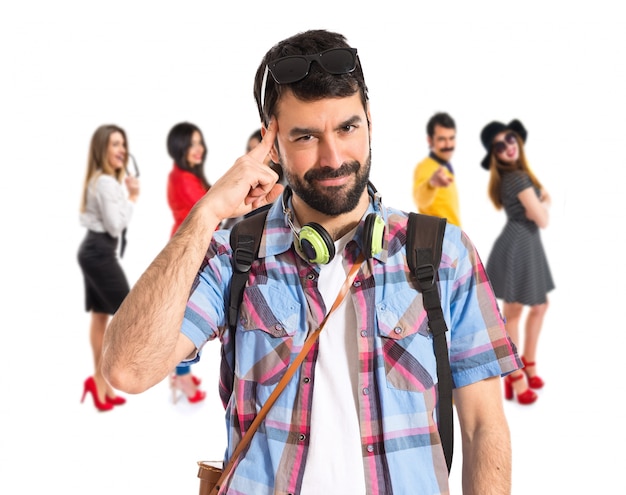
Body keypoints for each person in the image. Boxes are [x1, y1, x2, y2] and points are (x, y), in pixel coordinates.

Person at [102, 30, 521, 494]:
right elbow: (128, 370)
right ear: (272, 142)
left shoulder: (444, 253)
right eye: (306, 136)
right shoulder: (234, 252)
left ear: (369, 121)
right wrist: (205, 214)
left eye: (348, 127)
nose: (334, 156)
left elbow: (484, 427)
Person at [480, 119, 555, 406]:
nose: (508, 146)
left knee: (536, 306)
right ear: (495, 154)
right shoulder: (518, 179)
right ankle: (515, 375)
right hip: (519, 244)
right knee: (515, 312)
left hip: (526, 243)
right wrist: (544, 200)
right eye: (499, 145)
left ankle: (528, 363)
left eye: (510, 139)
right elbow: (543, 219)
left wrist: (541, 198)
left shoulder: (518, 177)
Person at [78, 124, 139, 412]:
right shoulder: (106, 183)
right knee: (128, 312)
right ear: (102, 149)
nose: (122, 150)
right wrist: (132, 198)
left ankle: (98, 384)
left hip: (94, 250)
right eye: (115, 144)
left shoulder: (102, 181)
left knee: (100, 316)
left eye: (123, 144)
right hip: (99, 252)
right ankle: (110, 379)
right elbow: (116, 225)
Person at [165, 121, 209, 403]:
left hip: (192, 249)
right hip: (188, 253)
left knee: (186, 311)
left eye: (199, 142)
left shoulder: (187, 175)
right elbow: (207, 211)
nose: (198, 149)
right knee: (185, 316)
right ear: (179, 147)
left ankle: (181, 372)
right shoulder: (182, 179)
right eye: (191, 144)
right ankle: (180, 375)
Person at [221, 128, 286, 229]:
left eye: (254, 149)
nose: (249, 154)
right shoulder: (244, 181)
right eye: (248, 149)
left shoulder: (281, 186)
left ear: (270, 153)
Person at [412, 112, 462, 227]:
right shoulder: (426, 167)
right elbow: (420, 199)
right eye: (442, 139)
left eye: (451, 138)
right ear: (430, 140)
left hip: (452, 235)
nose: (448, 144)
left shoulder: (445, 166)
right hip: (439, 238)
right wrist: (431, 184)